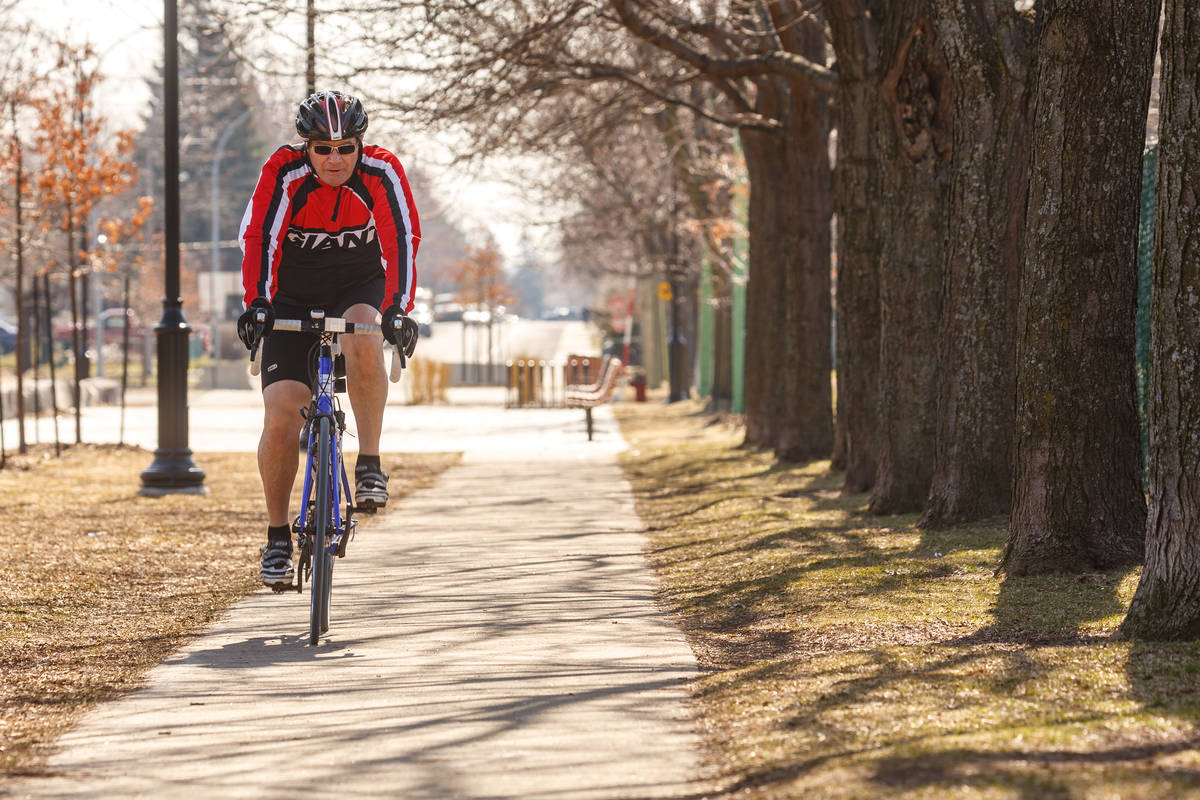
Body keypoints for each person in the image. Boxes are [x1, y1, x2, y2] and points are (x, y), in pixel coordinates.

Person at [236, 90, 420, 588]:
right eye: (323, 149)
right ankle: (277, 536)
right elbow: (261, 237)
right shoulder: (284, 172)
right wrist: (257, 302)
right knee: (281, 411)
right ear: (306, 148)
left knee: (363, 335)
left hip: (357, 284)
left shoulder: (381, 173)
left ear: (361, 145)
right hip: (290, 294)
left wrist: (398, 308)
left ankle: (370, 465)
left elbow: (402, 238)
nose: (335, 159)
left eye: (345, 148)